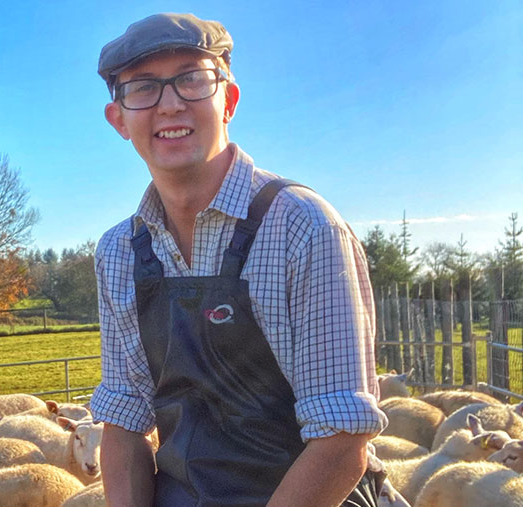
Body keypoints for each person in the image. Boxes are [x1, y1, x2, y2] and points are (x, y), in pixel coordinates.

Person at [89, 13, 388, 507]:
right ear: (119, 118)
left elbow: (340, 442)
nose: (169, 104)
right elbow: (124, 423)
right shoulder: (120, 251)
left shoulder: (305, 227)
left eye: (191, 80)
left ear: (227, 100)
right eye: (142, 88)